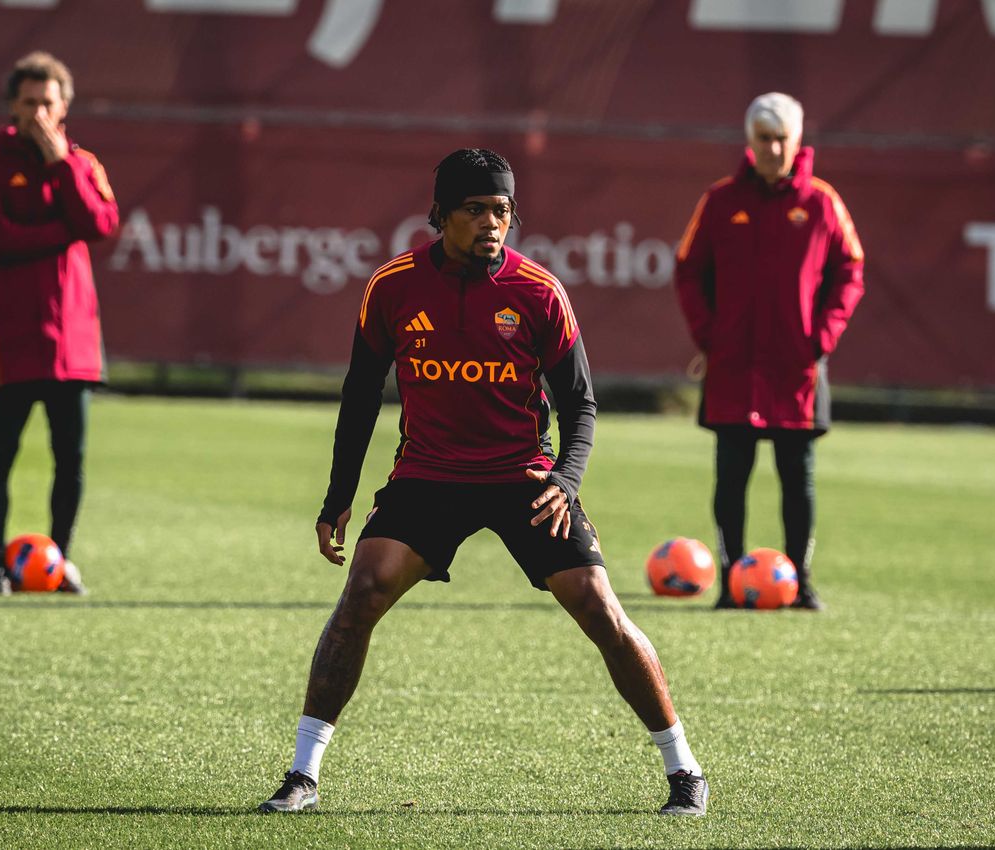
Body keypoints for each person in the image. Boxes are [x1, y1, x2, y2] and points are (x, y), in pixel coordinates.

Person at [259, 149, 708, 816]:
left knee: (598, 608)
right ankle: (302, 775)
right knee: (361, 594)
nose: (490, 223)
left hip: (521, 476)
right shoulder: (392, 287)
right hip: (428, 476)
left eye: (500, 211)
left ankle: (684, 772)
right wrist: (337, 497)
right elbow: (359, 397)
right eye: (474, 210)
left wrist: (565, 477)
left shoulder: (538, 292)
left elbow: (581, 404)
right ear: (440, 216)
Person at [673, 92, 865, 611]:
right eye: (764, 139)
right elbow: (688, 268)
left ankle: (800, 582)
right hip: (732, 365)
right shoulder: (720, 200)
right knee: (730, 475)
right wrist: (708, 334)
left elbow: (851, 270)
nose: (774, 148)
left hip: (796, 369)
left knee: (796, 477)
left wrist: (822, 336)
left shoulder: (822, 203)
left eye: (782, 139)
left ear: (797, 141)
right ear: (750, 142)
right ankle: (735, 582)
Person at [0, 51, 119, 595]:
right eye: (27, 102)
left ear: (64, 105)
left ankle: (62, 559)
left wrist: (60, 166)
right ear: (12, 105)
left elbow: (100, 223)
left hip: (73, 341)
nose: (37, 113)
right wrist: (63, 231)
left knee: (69, 460)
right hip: (10, 340)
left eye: (46, 102)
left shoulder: (82, 163)